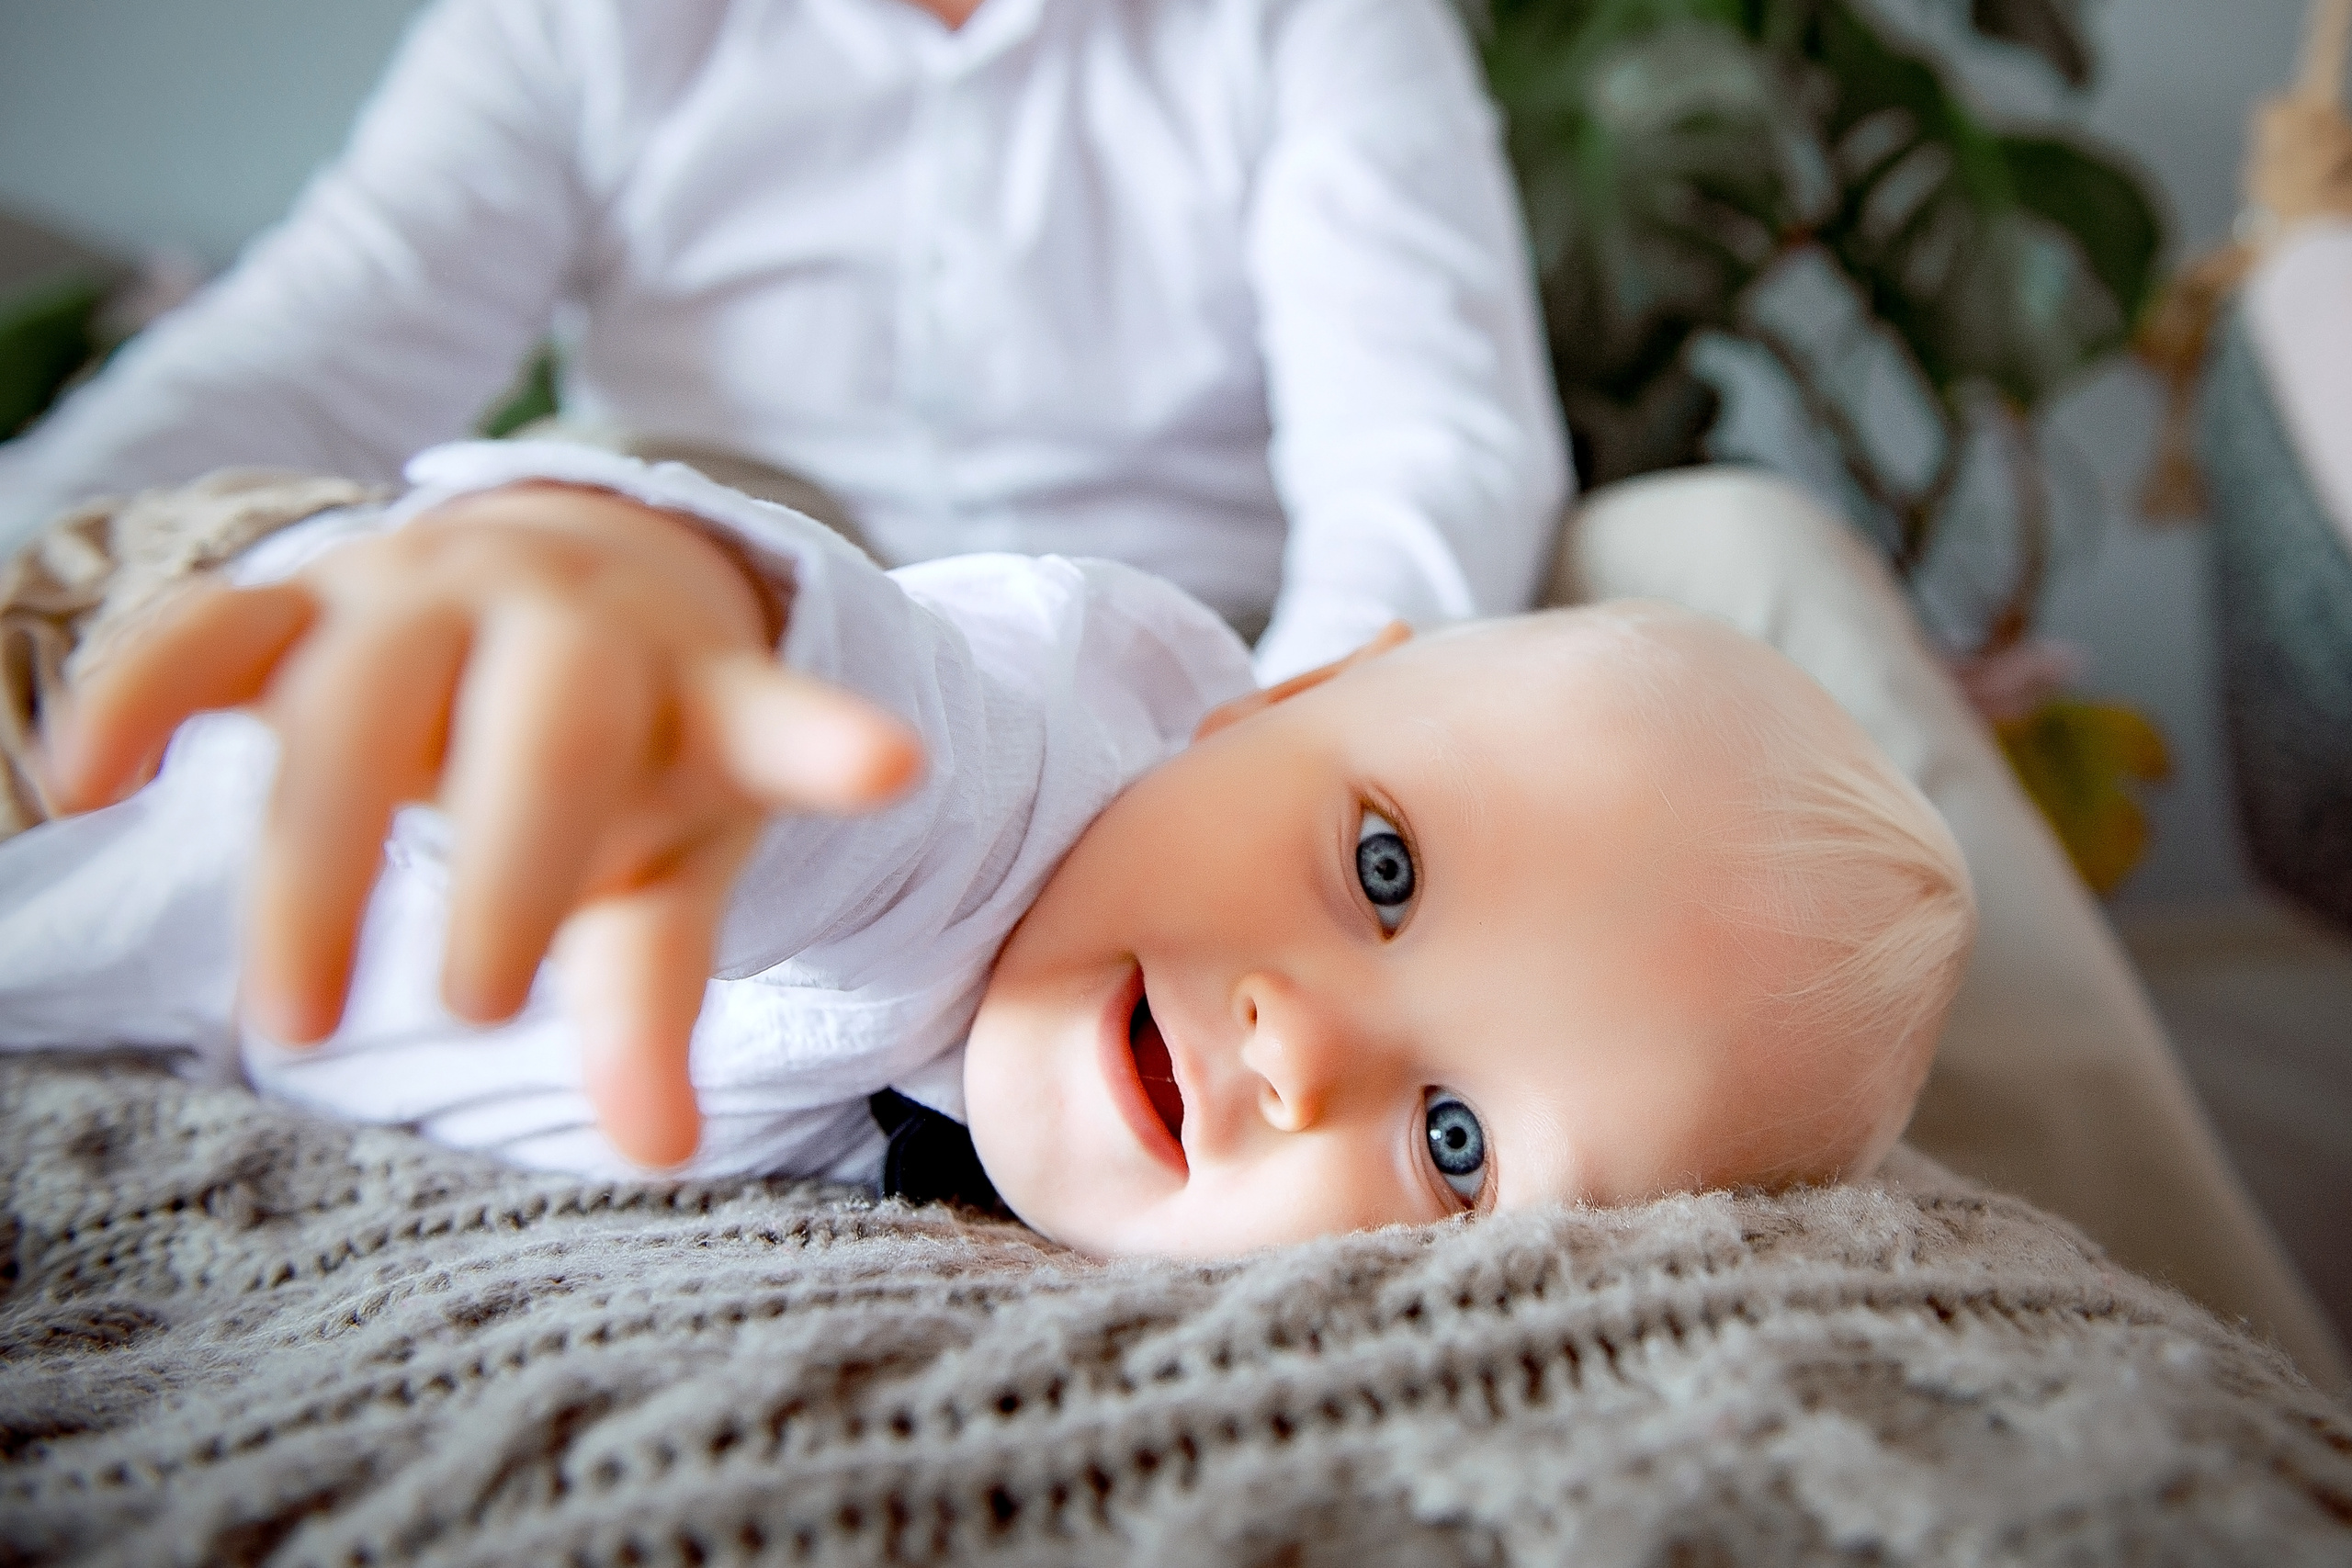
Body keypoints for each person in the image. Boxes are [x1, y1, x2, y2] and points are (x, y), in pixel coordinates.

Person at [0, 443, 1973, 1258]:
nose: (1300, 1048)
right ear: (1282, 696)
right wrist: (656, 628)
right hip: (148, 686)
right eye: (1381, 869)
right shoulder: (1004, 804)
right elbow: (873, 766)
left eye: (1453, 1139)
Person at [0, 0, 1569, 684]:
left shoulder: (1317, 18)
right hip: (741, 637)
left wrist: (1282, 747)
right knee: (579, 501)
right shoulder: (576, 21)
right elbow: (311, 356)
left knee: (1726, 550)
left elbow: (1429, 444)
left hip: (1233, 646)